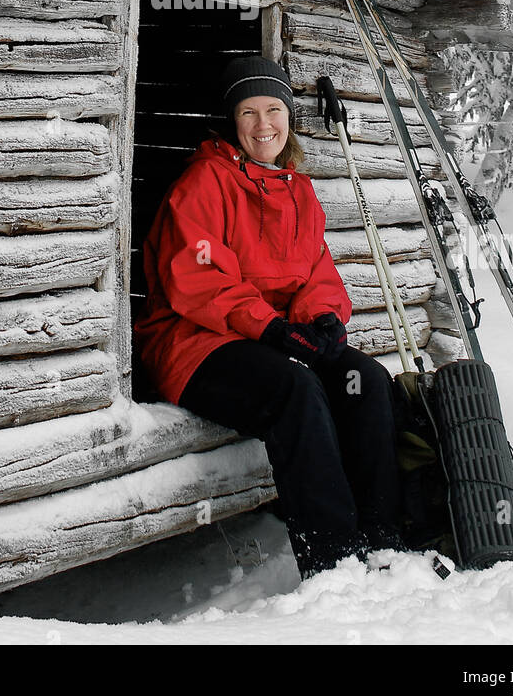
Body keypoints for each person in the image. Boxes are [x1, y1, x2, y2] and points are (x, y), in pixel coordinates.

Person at [133, 54, 405, 581]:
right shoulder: (204, 183)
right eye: (249, 113)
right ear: (232, 123)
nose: (264, 125)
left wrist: (321, 321)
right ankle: (335, 562)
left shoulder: (297, 190)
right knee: (294, 393)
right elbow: (200, 275)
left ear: (288, 117)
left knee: (364, 381)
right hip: (195, 342)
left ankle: (386, 542)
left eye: (273, 110)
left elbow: (316, 271)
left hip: (270, 337)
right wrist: (274, 329)